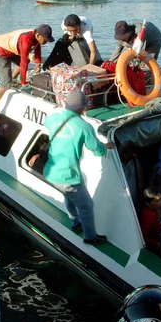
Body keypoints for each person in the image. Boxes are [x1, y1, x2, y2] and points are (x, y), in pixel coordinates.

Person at [43, 89, 115, 245]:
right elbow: (97, 150)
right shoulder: (84, 127)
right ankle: (90, 237)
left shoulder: (52, 118)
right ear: (83, 107)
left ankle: (75, 223)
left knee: (69, 195)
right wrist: (106, 146)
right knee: (87, 206)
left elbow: (48, 126)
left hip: (50, 172)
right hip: (68, 176)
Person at [0, 24, 55, 123]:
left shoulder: (36, 38)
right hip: (1, 55)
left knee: (22, 66)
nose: (45, 42)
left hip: (12, 52)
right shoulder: (26, 40)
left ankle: (12, 79)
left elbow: (37, 50)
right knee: (6, 83)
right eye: (45, 39)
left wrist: (38, 64)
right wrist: (23, 81)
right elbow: (23, 62)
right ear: (38, 35)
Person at [118, 141, 143, 209]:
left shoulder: (135, 162)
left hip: (133, 192)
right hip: (121, 193)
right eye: (125, 152)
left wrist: (140, 193)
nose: (127, 155)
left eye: (129, 152)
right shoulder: (116, 162)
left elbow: (139, 178)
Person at [139, 187, 161, 254]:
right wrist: (157, 245)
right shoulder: (149, 215)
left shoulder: (155, 210)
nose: (160, 203)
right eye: (156, 201)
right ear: (147, 203)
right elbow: (143, 236)